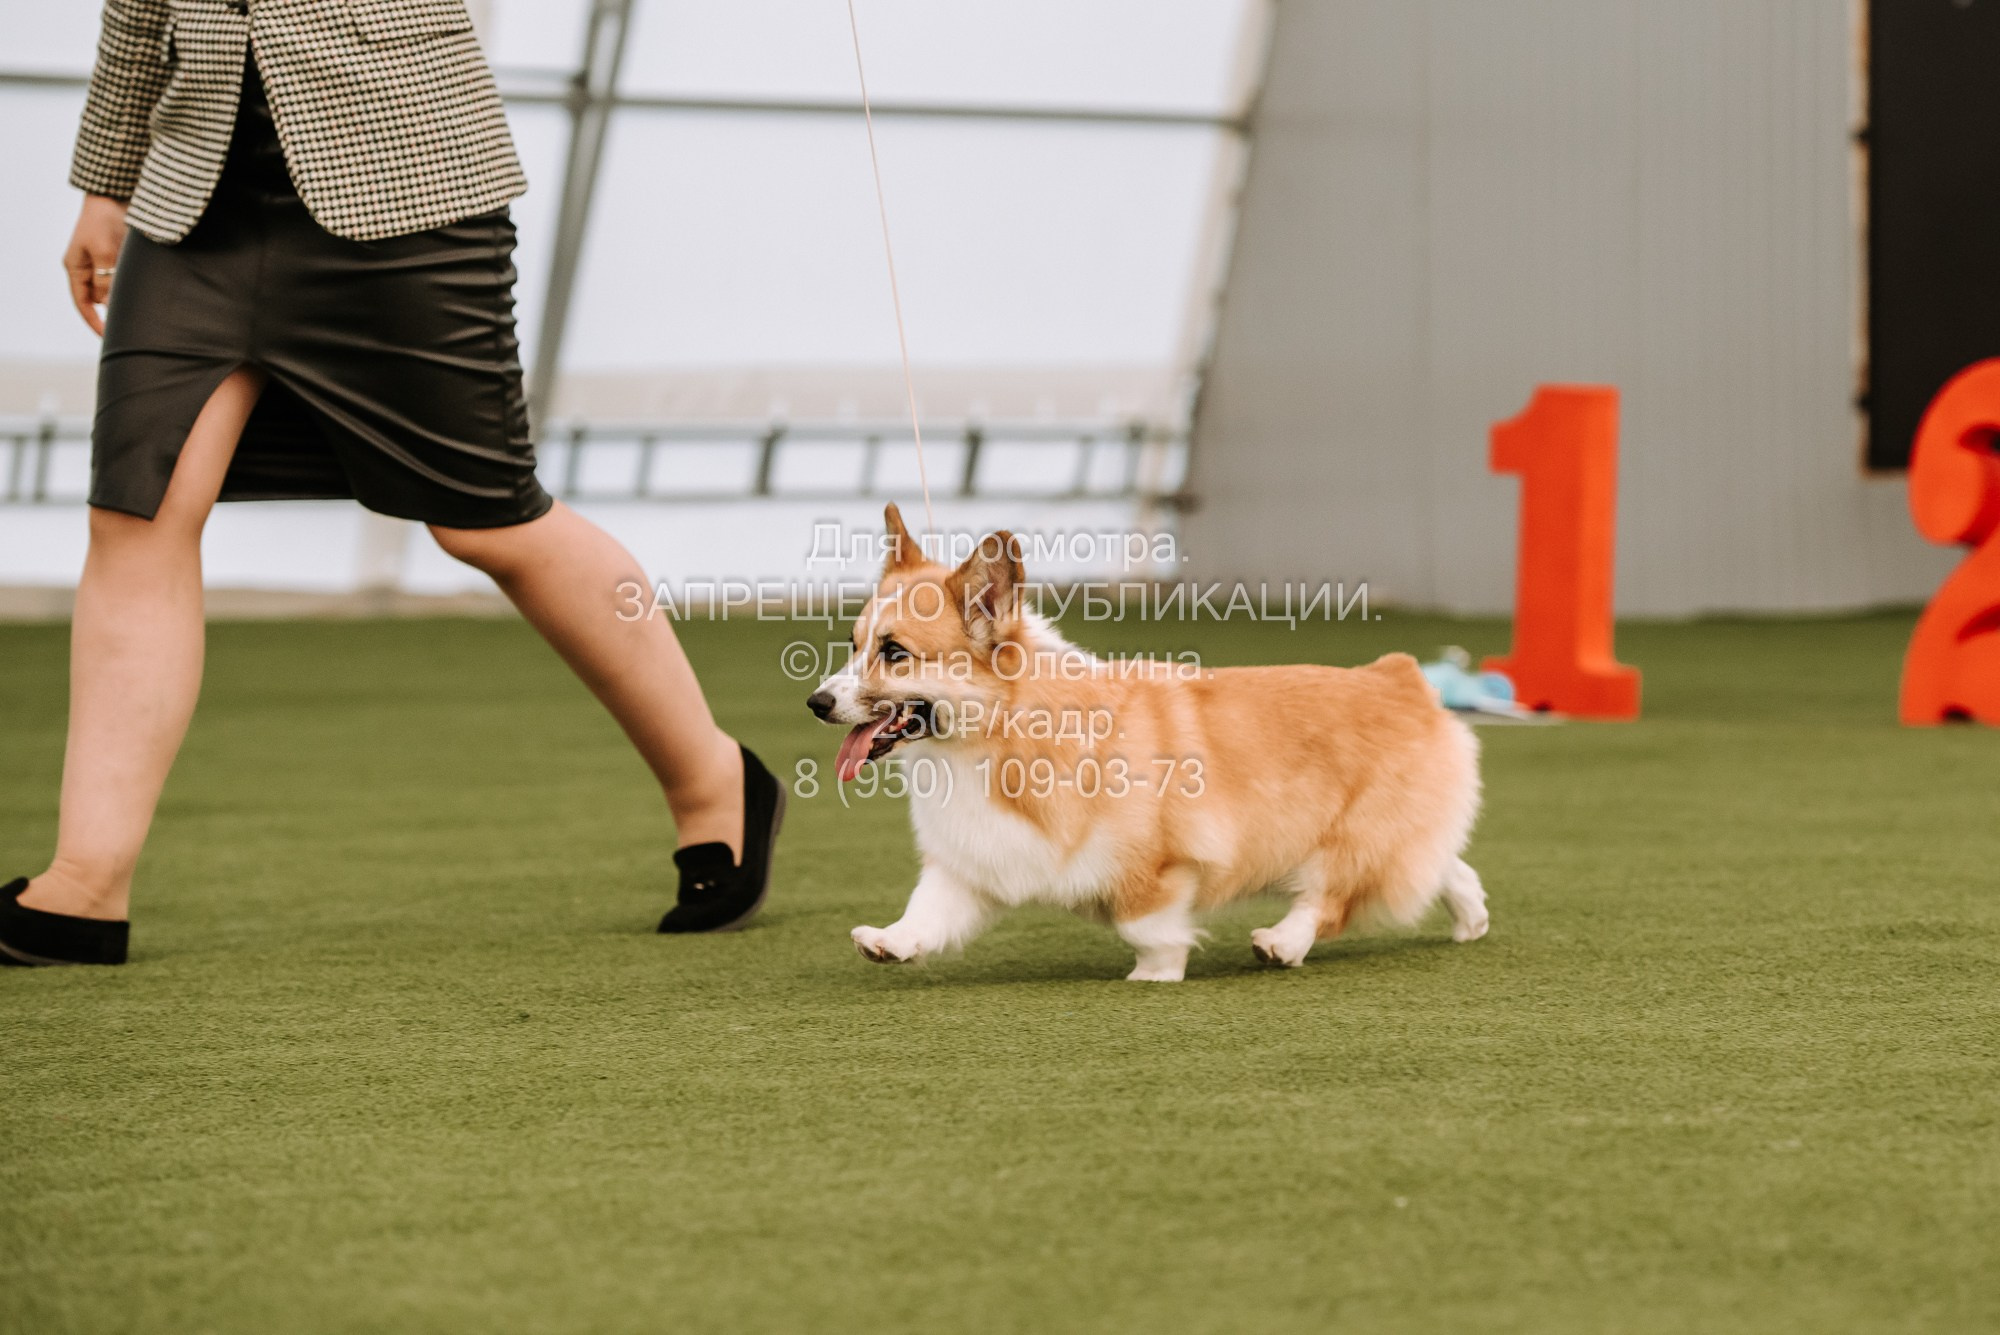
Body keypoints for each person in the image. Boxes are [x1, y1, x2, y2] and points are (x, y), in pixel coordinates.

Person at [0, 0, 783, 967]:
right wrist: (107, 182)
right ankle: (85, 884)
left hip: (402, 175)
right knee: (138, 513)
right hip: (192, 194)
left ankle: (713, 779)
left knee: (488, 521)